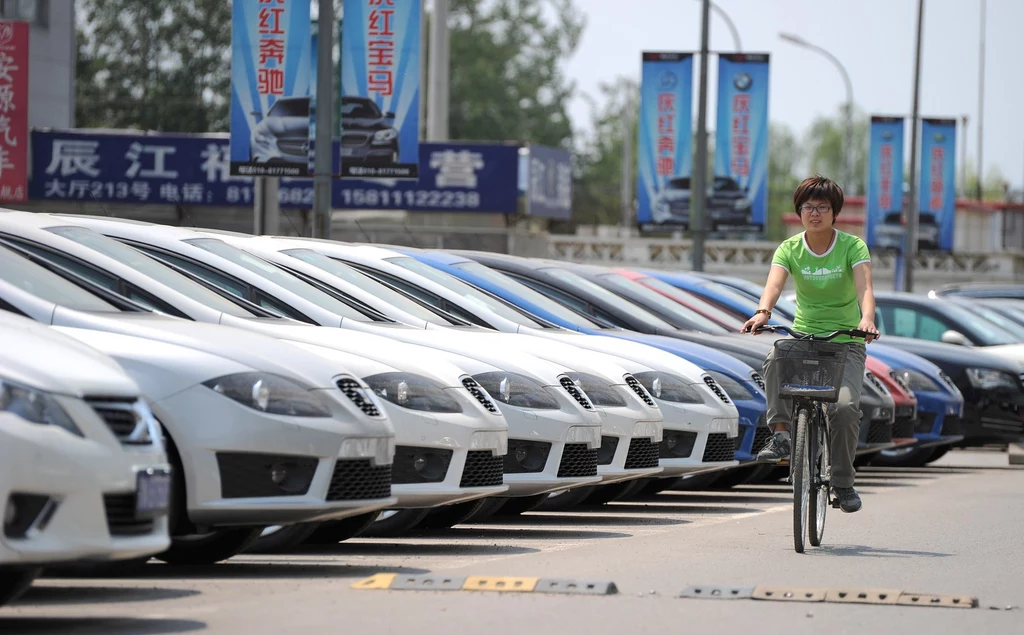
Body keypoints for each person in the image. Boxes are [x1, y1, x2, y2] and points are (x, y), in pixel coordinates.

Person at [741, 174, 880, 513]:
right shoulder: (789, 248)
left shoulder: (852, 246)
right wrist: (762, 312)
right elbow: (773, 285)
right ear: (799, 211)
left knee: (845, 408)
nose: (814, 213)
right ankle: (782, 433)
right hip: (805, 336)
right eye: (808, 207)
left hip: (846, 342)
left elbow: (864, 288)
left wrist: (866, 319)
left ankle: (843, 483)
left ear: (835, 213)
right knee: (776, 355)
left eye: (822, 207)